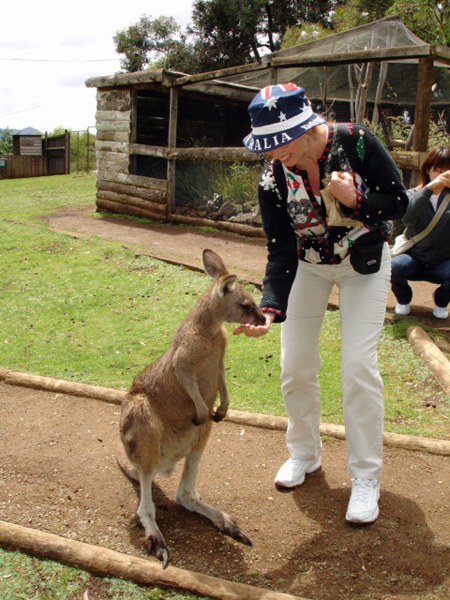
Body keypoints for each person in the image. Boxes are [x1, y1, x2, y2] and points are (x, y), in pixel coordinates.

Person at [234, 83, 408, 524]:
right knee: (295, 365)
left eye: (281, 146)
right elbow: (279, 249)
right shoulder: (273, 176)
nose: (275, 157)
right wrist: (269, 307)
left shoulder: (357, 142)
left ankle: (365, 477)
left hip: (362, 264)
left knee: (358, 368)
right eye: (268, 149)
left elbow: (399, 201)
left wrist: (358, 200)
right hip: (309, 265)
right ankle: (304, 454)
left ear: (308, 130)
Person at [391, 146, 450, 319]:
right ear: (428, 170)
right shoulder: (413, 194)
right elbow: (407, 219)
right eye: (438, 171)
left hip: (442, 262)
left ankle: (441, 301)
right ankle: (403, 299)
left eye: (447, 171)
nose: (443, 176)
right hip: (414, 258)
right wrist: (429, 189)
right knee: (396, 266)